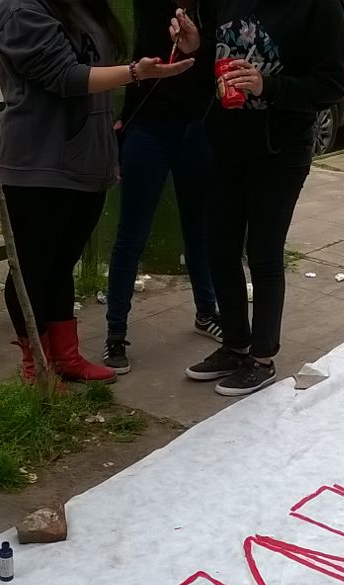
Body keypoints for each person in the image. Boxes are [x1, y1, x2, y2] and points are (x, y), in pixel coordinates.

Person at [0, 0, 194, 384]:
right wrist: (136, 72)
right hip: (38, 164)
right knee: (33, 269)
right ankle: (37, 367)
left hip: (87, 160)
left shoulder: (82, 5)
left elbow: (101, 73)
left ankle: (66, 357)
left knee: (61, 265)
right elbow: (65, 77)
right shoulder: (21, 9)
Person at [172, 0, 344, 396]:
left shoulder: (320, 6)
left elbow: (332, 85)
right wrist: (197, 46)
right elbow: (217, 62)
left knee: (264, 252)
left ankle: (262, 357)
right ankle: (235, 345)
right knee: (220, 249)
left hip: (280, 148)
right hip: (226, 140)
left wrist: (268, 85)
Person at [102, 0, 222, 376]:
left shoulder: (212, 8)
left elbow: (219, 59)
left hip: (196, 127)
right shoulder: (154, 6)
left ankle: (207, 312)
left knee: (199, 229)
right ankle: (116, 334)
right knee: (132, 234)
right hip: (149, 127)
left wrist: (199, 45)